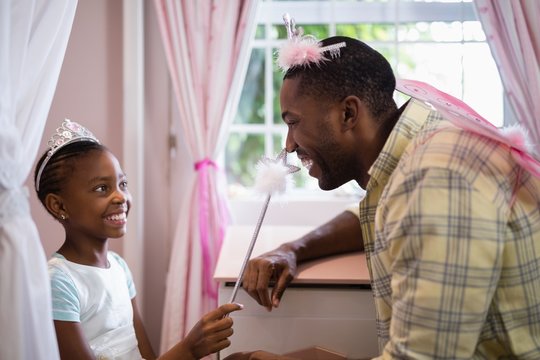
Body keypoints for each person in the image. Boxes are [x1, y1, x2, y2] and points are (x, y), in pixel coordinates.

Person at [232, 18, 540, 360]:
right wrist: (294, 248)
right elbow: (377, 212)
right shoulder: (418, 146)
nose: (288, 145)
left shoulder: (438, 180)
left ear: (348, 113)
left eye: (293, 122)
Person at [34, 119, 243, 360]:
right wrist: (189, 349)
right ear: (58, 205)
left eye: (122, 184)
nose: (120, 196)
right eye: (102, 188)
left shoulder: (119, 268)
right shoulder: (58, 282)